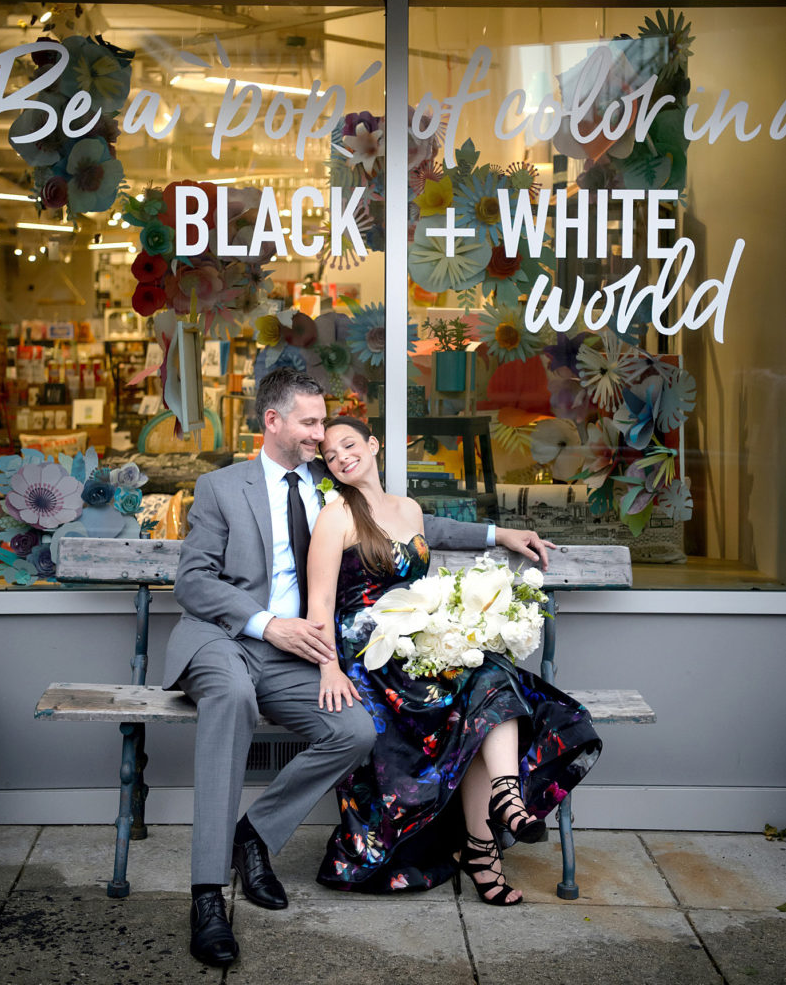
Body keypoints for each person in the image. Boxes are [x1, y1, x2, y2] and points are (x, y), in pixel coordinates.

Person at [164, 367, 555, 965]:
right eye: (312, 423)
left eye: (326, 423)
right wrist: (267, 623)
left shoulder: (332, 480)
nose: (323, 436)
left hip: (299, 652)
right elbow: (192, 582)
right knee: (233, 701)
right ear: (273, 421)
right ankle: (209, 894)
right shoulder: (223, 487)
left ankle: (254, 833)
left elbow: (413, 524)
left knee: (354, 730)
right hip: (227, 638)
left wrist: (499, 531)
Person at [307, 417, 602, 906]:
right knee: (479, 693)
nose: (341, 457)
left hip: (417, 643)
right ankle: (487, 840)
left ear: (374, 445)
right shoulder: (335, 516)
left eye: (349, 444)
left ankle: (497, 813)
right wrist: (329, 668)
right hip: (371, 657)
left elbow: (438, 545)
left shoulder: (409, 509)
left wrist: (502, 534)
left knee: (486, 688)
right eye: (331, 455)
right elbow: (319, 605)